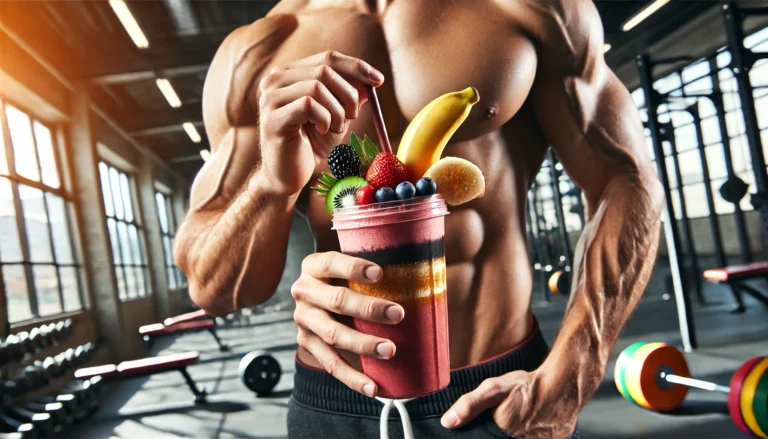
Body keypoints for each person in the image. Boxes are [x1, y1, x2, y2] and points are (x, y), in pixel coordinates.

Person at [174, 0, 664, 437]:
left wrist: (573, 372)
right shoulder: (259, 51)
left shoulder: (531, 7)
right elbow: (215, 288)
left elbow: (627, 180)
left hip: (499, 400)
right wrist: (270, 185)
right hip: (336, 405)